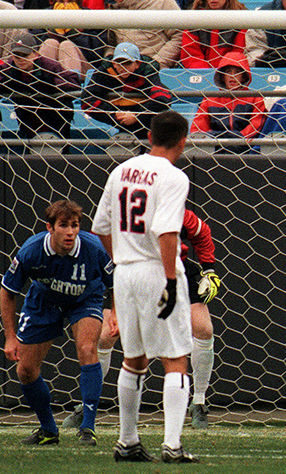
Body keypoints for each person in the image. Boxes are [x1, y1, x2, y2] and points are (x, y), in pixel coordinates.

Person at [91, 110, 198, 463]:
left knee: (133, 359)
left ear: (150, 136)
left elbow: (101, 226)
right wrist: (169, 278)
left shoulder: (121, 170)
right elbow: (166, 231)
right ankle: (173, 445)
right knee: (176, 358)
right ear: (183, 141)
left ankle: (127, 441)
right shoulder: (174, 176)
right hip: (156, 270)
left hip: (124, 272)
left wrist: (121, 256)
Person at [63, 208, 221, 431]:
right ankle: (88, 405)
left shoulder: (177, 212)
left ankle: (199, 403)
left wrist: (209, 270)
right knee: (106, 336)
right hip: (130, 273)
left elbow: (202, 233)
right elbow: (98, 236)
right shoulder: (122, 212)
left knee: (203, 329)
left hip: (175, 271)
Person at [0, 200, 114, 447]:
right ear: (49, 227)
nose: (70, 232)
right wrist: (10, 336)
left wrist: (114, 312)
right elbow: (7, 291)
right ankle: (49, 430)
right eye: (64, 225)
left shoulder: (94, 248)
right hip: (44, 300)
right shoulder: (32, 251)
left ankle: (88, 428)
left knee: (87, 350)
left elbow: (116, 281)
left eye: (75, 225)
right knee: (25, 370)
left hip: (85, 299)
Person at [0, 34, 81, 139]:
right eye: (17, 56)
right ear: (12, 56)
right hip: (26, 118)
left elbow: (73, 81)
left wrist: (51, 84)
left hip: (55, 117)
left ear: (35, 54)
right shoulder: (9, 68)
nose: (21, 60)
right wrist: (4, 83)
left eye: (25, 55)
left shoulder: (49, 66)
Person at [81, 42, 172, 139]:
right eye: (119, 63)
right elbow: (87, 101)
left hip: (146, 123)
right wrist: (114, 114)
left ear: (137, 64)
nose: (123, 67)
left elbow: (162, 98)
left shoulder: (147, 71)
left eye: (128, 63)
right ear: (113, 63)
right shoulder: (103, 72)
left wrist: (137, 116)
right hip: (118, 120)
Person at [190, 51, 266, 154]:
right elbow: (198, 127)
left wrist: (239, 137)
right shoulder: (210, 99)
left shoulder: (255, 98)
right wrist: (212, 137)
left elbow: (256, 126)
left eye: (237, 72)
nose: (232, 76)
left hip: (244, 146)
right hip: (214, 146)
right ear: (222, 76)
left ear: (244, 76)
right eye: (228, 72)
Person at [26, 0, 108, 74]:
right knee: (50, 43)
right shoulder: (42, 16)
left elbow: (95, 54)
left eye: (70, 1)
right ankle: (44, 82)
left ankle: (70, 83)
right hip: (51, 67)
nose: (65, 5)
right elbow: (33, 46)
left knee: (66, 45)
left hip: (84, 68)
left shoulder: (92, 17)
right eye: (61, 2)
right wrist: (53, 32)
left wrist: (73, 33)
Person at [106, 0, 183, 69]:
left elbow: (180, 35)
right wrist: (109, 58)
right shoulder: (110, 8)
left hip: (156, 73)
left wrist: (157, 63)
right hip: (122, 74)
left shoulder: (162, 2)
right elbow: (109, 43)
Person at [180, 0, 247, 69]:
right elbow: (190, 54)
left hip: (230, 73)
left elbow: (239, 51)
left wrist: (224, 73)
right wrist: (206, 73)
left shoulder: (242, 18)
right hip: (201, 74)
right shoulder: (194, 18)